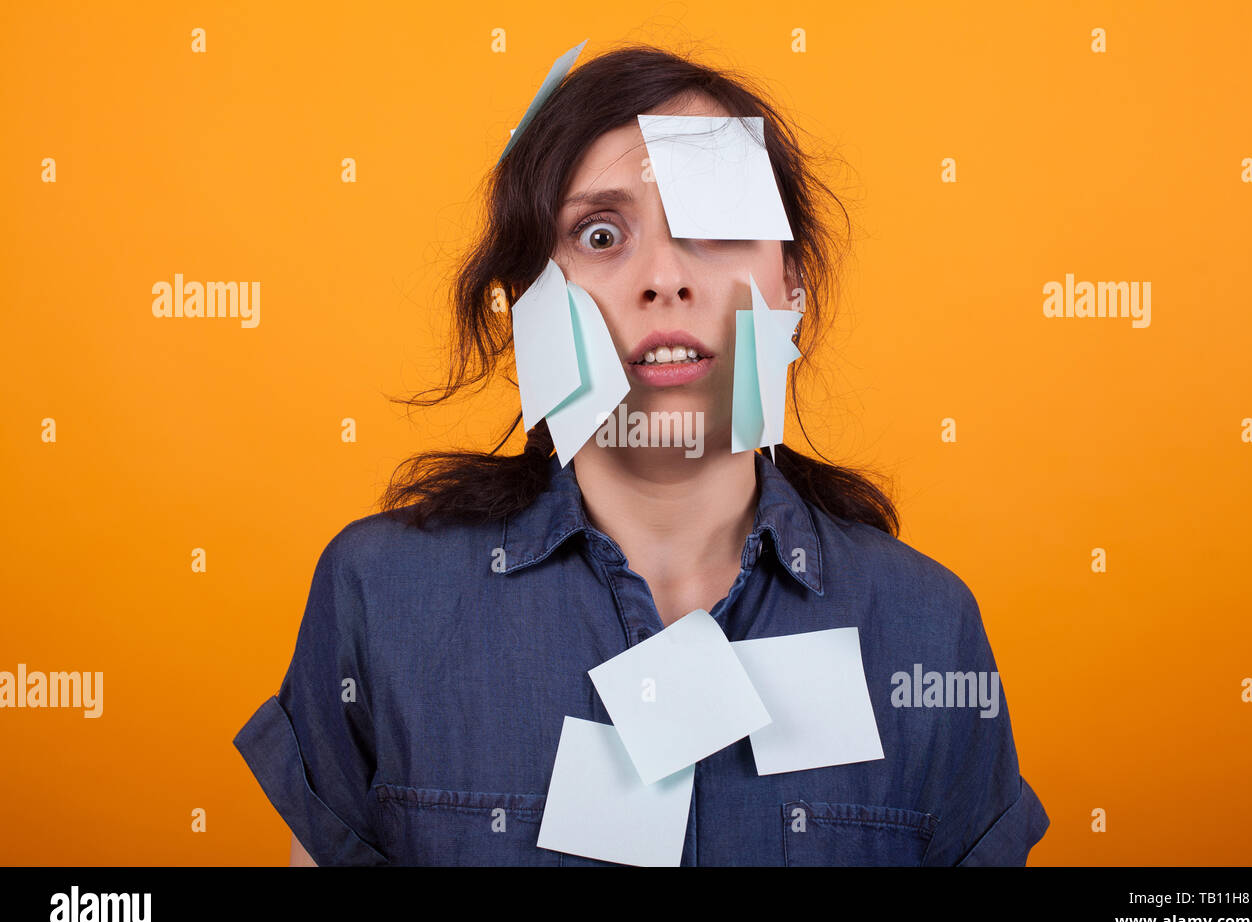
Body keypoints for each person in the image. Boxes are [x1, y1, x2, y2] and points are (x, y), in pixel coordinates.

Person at [233, 44, 1049, 866]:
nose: (665, 278)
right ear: (528, 300)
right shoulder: (380, 597)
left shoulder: (928, 630)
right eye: (599, 233)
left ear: (789, 287)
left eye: (720, 228)